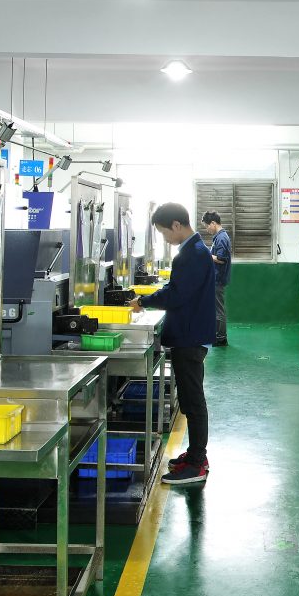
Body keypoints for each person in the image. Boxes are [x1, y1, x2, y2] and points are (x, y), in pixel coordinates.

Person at [132, 203, 217, 486]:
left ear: (176, 225)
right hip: (191, 334)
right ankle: (195, 454)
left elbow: (175, 295)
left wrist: (143, 301)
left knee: (193, 402)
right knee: (191, 401)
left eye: (164, 232)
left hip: (189, 337)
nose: (164, 238)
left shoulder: (191, 255)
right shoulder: (194, 251)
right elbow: (177, 290)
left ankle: (197, 463)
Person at [202, 212, 232, 347]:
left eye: (207, 226)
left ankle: (221, 338)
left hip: (218, 279)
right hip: (216, 278)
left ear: (213, 223)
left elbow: (221, 259)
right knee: (217, 308)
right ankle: (218, 335)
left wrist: (206, 255)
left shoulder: (221, 238)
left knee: (219, 309)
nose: (207, 229)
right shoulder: (219, 237)